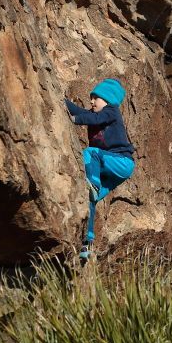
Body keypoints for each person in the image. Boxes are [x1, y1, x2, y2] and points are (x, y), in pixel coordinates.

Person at [65, 78, 135, 260]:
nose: (91, 101)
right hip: (111, 168)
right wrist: (63, 104)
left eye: (95, 98)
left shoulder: (111, 111)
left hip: (122, 162)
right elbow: (83, 113)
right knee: (89, 200)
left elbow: (90, 118)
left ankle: (93, 185)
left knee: (91, 153)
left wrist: (75, 120)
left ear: (108, 100)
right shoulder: (97, 114)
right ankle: (86, 244)